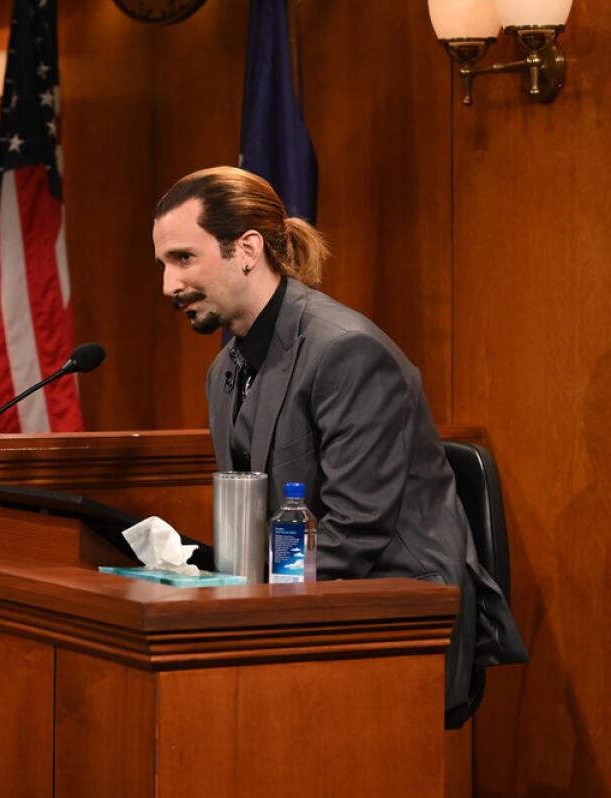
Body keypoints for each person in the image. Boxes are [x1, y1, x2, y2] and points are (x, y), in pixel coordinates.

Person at [152, 166, 526, 726]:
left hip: (397, 616)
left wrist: (249, 602)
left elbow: (356, 529)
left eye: (183, 258)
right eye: (163, 263)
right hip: (302, 606)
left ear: (247, 249)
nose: (168, 285)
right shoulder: (225, 371)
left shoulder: (346, 351)